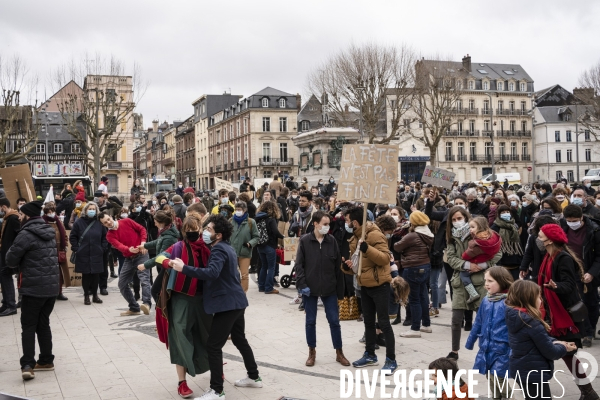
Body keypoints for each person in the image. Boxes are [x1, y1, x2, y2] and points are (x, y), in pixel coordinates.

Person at [171, 215, 263, 400]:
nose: (205, 232)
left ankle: (217, 390)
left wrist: (184, 268)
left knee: (213, 346)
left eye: (209, 230)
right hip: (236, 302)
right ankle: (254, 376)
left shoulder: (219, 250)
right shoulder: (226, 247)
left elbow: (212, 273)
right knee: (239, 339)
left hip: (227, 305)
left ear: (218, 235)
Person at [150, 213, 212, 398]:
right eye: (188, 230)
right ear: (183, 231)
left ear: (200, 230)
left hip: (203, 301)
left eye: (195, 229)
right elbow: (159, 257)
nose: (192, 233)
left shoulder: (208, 248)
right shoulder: (177, 247)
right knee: (180, 339)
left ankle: (215, 370)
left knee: (207, 338)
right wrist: (169, 263)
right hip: (181, 299)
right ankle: (182, 383)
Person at [537, 224, 599, 399]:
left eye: (540, 236)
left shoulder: (562, 258)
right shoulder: (547, 256)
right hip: (551, 312)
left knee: (569, 354)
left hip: (564, 316)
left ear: (549, 240)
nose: (538, 239)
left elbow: (570, 285)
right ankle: (588, 392)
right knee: (565, 354)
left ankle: (588, 392)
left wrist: (556, 286)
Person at [5, 201, 59, 381]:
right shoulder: (49, 232)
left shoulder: (25, 234)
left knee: (28, 326)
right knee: (43, 324)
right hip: (51, 288)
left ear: (27, 216)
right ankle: (46, 360)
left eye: (21, 215)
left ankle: (28, 364)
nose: (19, 217)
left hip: (32, 288)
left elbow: (11, 259)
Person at [341, 206, 397, 374]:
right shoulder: (355, 238)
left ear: (355, 222)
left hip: (380, 285)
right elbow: (356, 266)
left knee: (384, 323)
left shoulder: (374, 234)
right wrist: (346, 267)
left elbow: (385, 258)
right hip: (364, 285)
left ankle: (391, 360)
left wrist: (367, 249)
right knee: (368, 322)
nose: (346, 223)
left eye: (348, 220)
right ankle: (370, 354)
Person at [445, 206, 502, 360]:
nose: (457, 222)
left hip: (480, 281)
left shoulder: (479, 233)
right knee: (456, 319)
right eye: (454, 219)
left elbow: (498, 252)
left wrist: (483, 265)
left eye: (460, 218)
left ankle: (485, 349)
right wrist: (467, 265)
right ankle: (454, 351)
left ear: (466, 217)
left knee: (482, 318)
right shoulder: (451, 237)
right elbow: (450, 258)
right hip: (460, 282)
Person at [295, 210, 349, 367]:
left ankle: (339, 352)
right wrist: (302, 285)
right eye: (325, 224)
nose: (327, 227)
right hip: (310, 289)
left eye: (329, 224)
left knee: (334, 321)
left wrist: (340, 291)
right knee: (310, 321)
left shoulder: (331, 241)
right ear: (315, 224)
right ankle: (312, 352)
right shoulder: (305, 241)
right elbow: (299, 265)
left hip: (329, 288)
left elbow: (338, 267)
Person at [505, 280, 574, 400]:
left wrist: (555, 341)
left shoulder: (516, 316)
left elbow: (539, 339)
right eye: (539, 297)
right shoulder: (531, 323)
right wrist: (564, 347)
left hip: (522, 370)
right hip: (533, 373)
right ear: (530, 299)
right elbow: (551, 352)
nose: (541, 300)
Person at [465, 266, 514, 400]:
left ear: (502, 281)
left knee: (498, 375)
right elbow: (478, 322)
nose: (486, 284)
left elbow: (514, 328)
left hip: (502, 347)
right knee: (490, 375)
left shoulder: (509, 302)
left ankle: (508, 396)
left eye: (491, 281)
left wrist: (513, 349)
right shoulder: (486, 300)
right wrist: (470, 341)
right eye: (485, 280)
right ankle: (496, 397)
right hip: (487, 346)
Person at [560, 204, 600, 347]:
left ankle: (592, 326)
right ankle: (586, 332)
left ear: (581, 217)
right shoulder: (563, 227)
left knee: (592, 302)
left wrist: (592, 273)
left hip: (589, 272)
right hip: (572, 272)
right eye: (569, 221)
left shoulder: (594, 230)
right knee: (578, 302)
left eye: (575, 220)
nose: (572, 224)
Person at [100, 212, 152, 316]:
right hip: (129, 258)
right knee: (122, 283)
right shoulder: (109, 236)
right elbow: (119, 246)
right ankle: (134, 307)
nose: (109, 223)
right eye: (105, 223)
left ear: (111, 216)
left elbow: (142, 229)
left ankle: (146, 303)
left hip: (141, 253)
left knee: (144, 278)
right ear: (103, 225)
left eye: (108, 219)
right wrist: (128, 249)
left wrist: (143, 242)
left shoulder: (127, 221)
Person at [393, 211, 434, 338]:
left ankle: (415, 328)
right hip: (425, 266)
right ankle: (426, 324)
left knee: (414, 299)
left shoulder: (412, 235)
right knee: (423, 295)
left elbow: (397, 247)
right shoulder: (428, 233)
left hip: (412, 267)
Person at [137, 210, 179, 304]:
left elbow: (160, 257)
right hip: (164, 267)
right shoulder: (166, 232)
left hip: (168, 268)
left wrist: (145, 265)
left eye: (155, 222)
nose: (155, 224)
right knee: (160, 291)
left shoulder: (169, 237)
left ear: (162, 223)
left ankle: (164, 312)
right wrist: (144, 246)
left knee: (155, 290)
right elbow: (157, 242)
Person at [70, 202, 107, 305]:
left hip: (96, 252)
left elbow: (105, 236)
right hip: (83, 253)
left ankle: (95, 295)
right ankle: (86, 295)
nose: (92, 211)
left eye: (93, 209)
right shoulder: (79, 222)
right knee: (86, 275)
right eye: (90, 209)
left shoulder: (99, 223)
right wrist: (76, 248)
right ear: (85, 210)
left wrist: (102, 248)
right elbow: (73, 236)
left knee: (96, 275)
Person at [460, 217, 502, 304]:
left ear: (479, 227)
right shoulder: (492, 236)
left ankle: (473, 294)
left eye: (472, 227)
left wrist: (463, 256)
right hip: (488, 262)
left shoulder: (477, 243)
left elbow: (466, 256)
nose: (470, 229)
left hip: (477, 262)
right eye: (469, 227)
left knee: (463, 275)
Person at [42, 202, 70, 301]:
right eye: (48, 212)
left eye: (52, 211)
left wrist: (65, 245)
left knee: (59, 273)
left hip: (59, 251)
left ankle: (59, 292)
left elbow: (65, 235)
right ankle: (49, 293)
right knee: (49, 273)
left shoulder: (58, 221)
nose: (51, 213)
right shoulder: (42, 222)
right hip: (47, 252)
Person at [229, 201, 259, 293]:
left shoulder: (251, 222)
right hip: (232, 252)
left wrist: (250, 243)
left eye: (239, 209)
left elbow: (256, 236)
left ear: (245, 210)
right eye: (236, 209)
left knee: (244, 274)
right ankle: (233, 291)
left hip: (245, 252)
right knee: (232, 274)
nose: (237, 211)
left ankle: (243, 293)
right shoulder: (230, 221)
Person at [255, 201, 284, 294]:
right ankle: (269, 288)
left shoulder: (258, 218)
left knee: (264, 266)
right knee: (271, 267)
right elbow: (275, 232)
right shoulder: (271, 219)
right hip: (270, 246)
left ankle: (261, 286)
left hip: (260, 246)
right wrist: (283, 237)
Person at [491, 205, 523, 281]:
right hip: (502, 262)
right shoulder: (495, 227)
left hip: (515, 261)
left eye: (507, 212)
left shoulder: (514, 225)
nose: (506, 213)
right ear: (499, 214)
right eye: (503, 212)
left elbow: (519, 243)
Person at [0, 198, 21, 316]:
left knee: (6, 276)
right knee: (3, 276)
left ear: (3, 207)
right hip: (5, 253)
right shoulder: (7, 218)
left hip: (9, 254)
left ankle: (11, 305)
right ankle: (6, 303)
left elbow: (18, 236)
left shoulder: (13, 218)